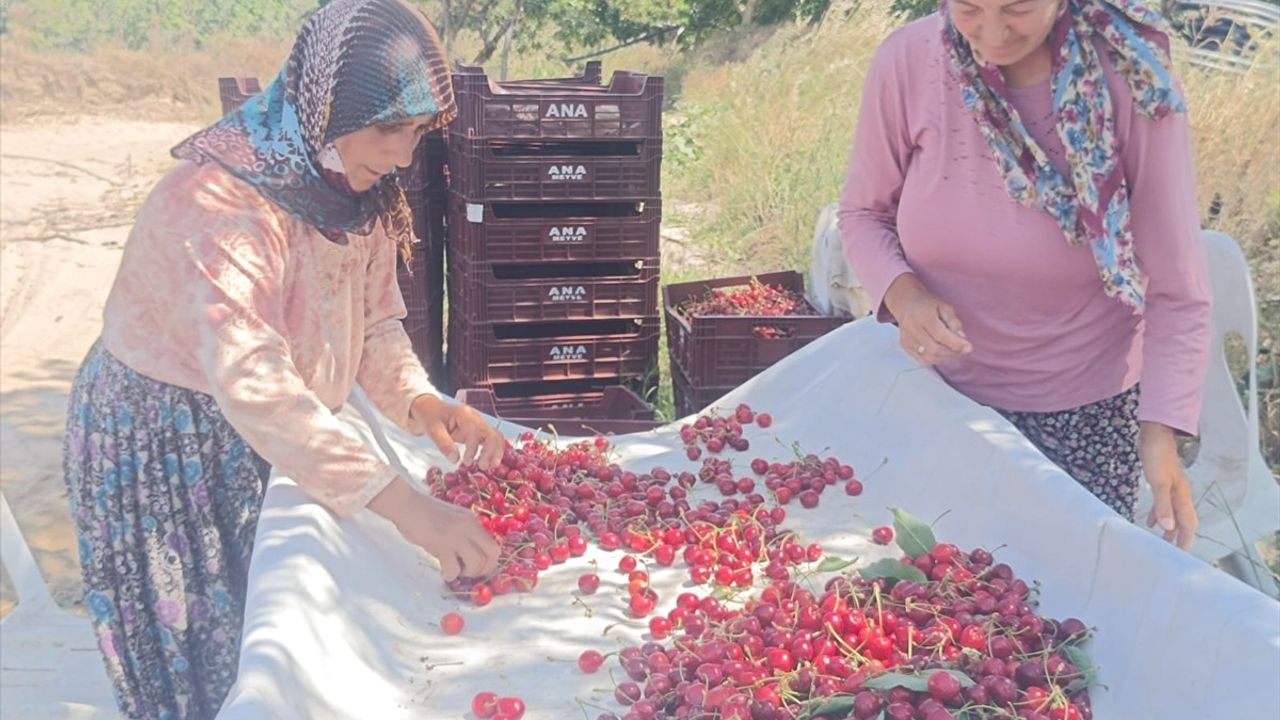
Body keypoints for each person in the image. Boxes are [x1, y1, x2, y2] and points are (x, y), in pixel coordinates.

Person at [60, 1, 503, 717]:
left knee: (261, 626)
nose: (401, 155)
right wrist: (408, 509)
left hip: (273, 433)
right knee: (209, 656)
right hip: (172, 442)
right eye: (389, 128)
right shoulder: (221, 204)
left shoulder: (356, 189)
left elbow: (377, 321)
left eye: (416, 133)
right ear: (325, 105)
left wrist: (422, 403)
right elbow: (254, 382)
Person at [839, 0, 1210, 550]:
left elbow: (1178, 285)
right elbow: (863, 215)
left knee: (1055, 603)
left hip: (1083, 415)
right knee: (937, 590)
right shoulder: (909, 61)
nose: (992, 33)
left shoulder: (1130, 75)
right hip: (938, 396)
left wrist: (1160, 434)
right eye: (968, 8)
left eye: (1017, 8)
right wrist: (906, 296)